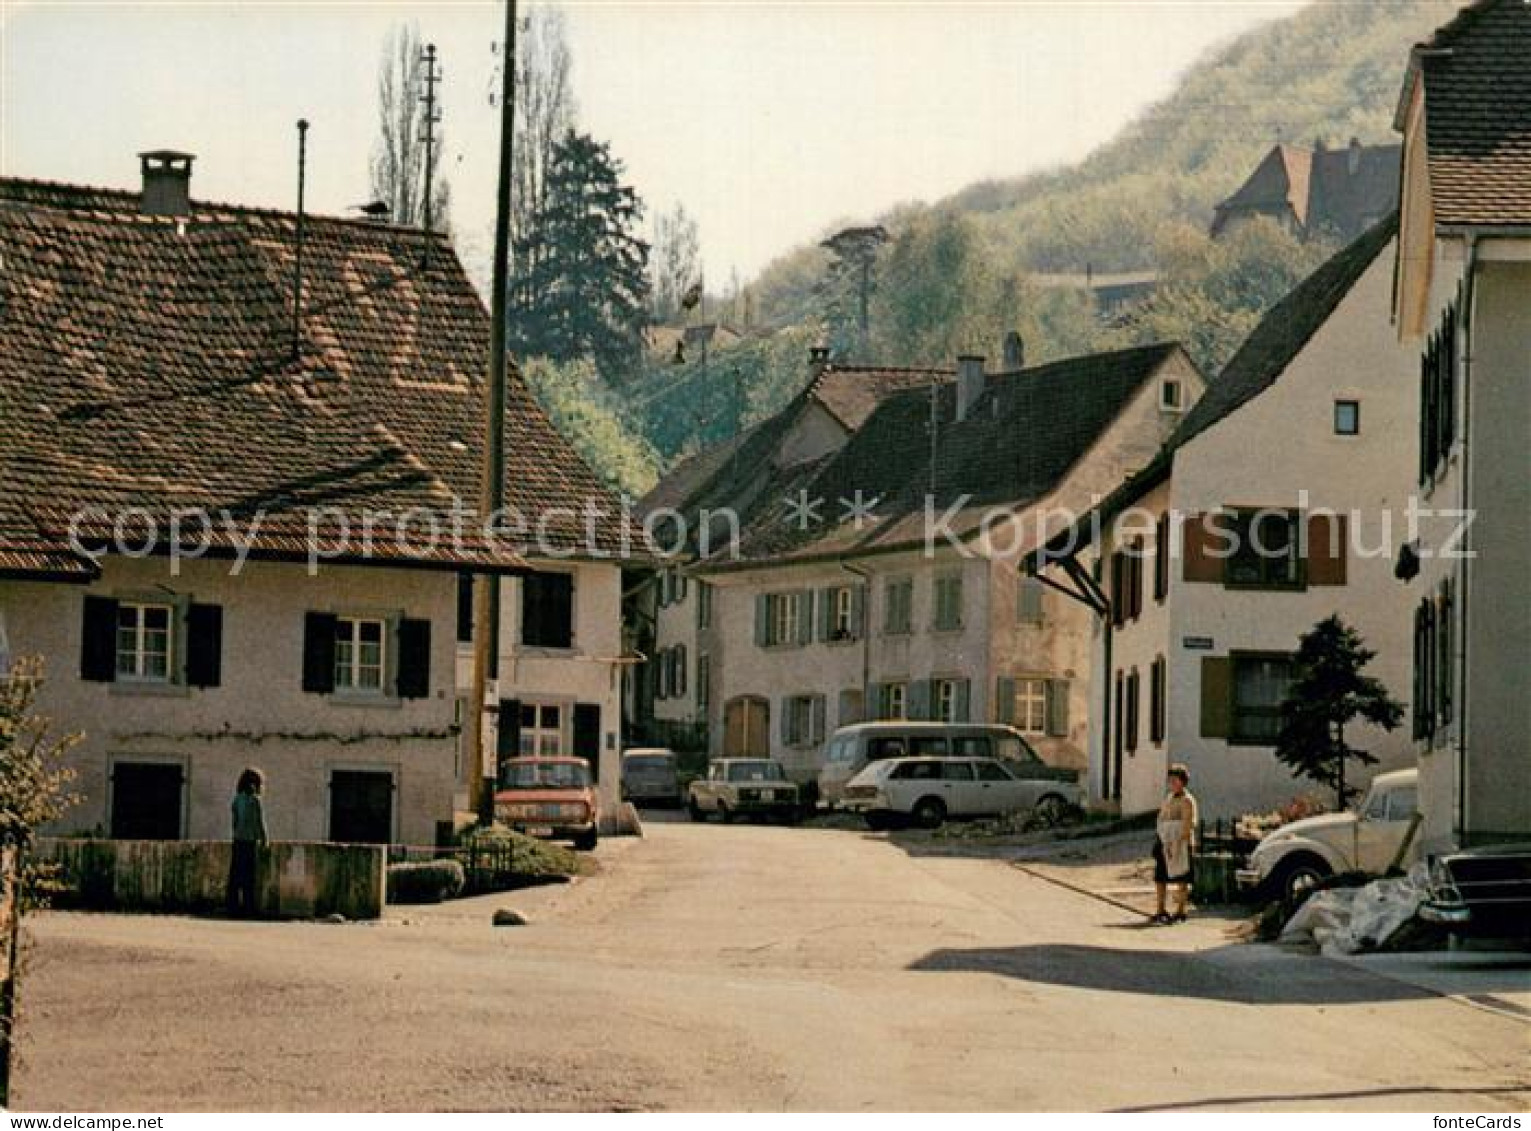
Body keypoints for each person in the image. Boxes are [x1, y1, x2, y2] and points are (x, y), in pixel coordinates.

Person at [1151, 763, 1198, 925]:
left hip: (1180, 843)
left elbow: (1188, 823)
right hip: (1165, 841)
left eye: (1175, 780)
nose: (1172, 784)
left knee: (1181, 877)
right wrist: (1163, 834)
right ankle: (1160, 908)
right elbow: (1161, 817)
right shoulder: (1169, 798)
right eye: (1170, 780)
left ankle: (1180, 910)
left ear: (1182, 781)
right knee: (1160, 876)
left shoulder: (1187, 800)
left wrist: (1177, 842)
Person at [226, 766, 268, 918]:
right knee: (249, 877)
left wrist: (236, 834)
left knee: (235, 876)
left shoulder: (237, 799)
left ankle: (233, 907)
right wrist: (264, 839)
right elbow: (260, 822)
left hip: (238, 840)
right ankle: (248, 908)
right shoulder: (255, 800)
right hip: (249, 841)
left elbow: (235, 821)